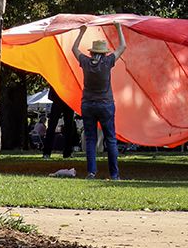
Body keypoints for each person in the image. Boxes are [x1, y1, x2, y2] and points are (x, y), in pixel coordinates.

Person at [72, 21, 127, 180]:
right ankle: (114, 174)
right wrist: (118, 28)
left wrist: (81, 32)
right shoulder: (108, 62)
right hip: (106, 104)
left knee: (90, 139)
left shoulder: (86, 62)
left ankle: (91, 172)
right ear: (104, 53)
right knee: (110, 139)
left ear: (91, 52)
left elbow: (74, 49)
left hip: (88, 104)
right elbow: (122, 47)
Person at [41, 84, 77, 159]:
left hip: (61, 98)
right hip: (66, 98)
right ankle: (67, 152)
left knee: (54, 126)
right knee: (68, 126)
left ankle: (47, 152)